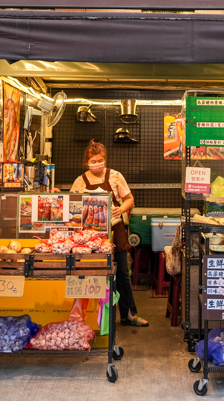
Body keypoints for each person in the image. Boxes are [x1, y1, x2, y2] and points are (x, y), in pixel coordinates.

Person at [71, 140, 148, 327]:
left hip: (116, 229)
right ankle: (90, 319)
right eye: (93, 161)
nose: (96, 164)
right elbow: (72, 207)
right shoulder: (80, 181)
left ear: (105, 160)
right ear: (86, 162)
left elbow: (129, 198)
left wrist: (121, 209)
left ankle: (129, 314)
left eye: (100, 160)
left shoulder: (115, 176)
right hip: (91, 236)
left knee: (122, 273)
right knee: (90, 273)